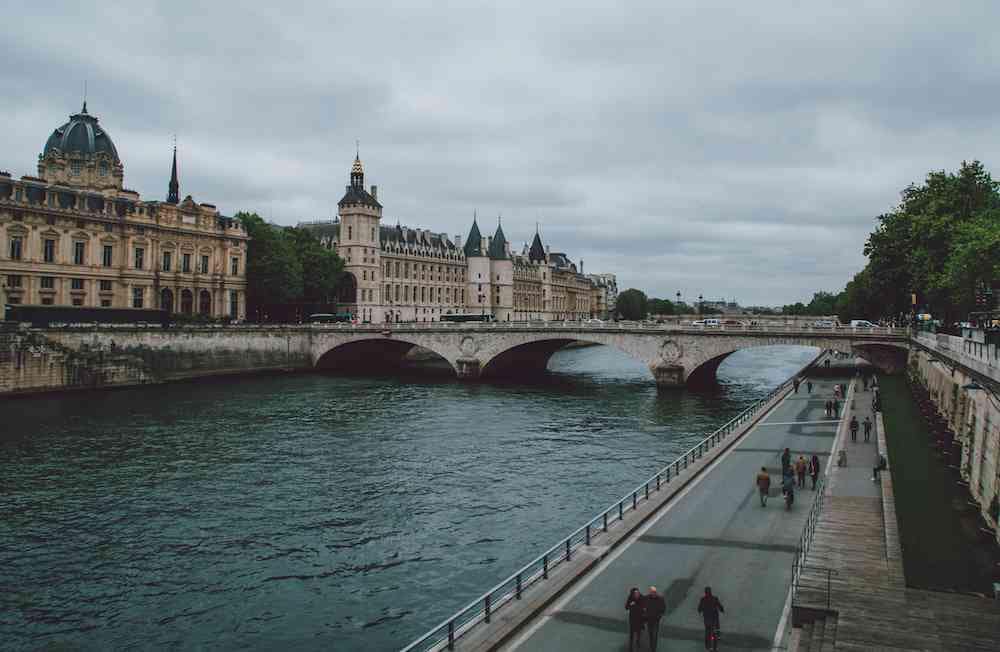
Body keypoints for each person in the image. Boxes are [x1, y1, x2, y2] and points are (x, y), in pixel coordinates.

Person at [644, 586, 666, 651]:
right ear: (650, 592)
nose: (653, 593)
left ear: (656, 592)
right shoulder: (646, 598)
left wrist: (659, 616)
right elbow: (642, 605)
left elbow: (663, 608)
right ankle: (651, 647)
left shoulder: (660, 599)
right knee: (650, 634)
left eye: (654, 592)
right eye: (652, 592)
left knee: (655, 635)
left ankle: (653, 649)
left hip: (656, 620)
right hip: (649, 620)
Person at [625, 587, 645, 651]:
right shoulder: (630, 598)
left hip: (639, 618)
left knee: (639, 631)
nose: (637, 594)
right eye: (635, 593)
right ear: (633, 594)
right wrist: (630, 604)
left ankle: (638, 641)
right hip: (633, 618)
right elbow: (626, 607)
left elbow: (644, 606)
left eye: (638, 593)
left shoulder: (642, 598)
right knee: (632, 632)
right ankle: (631, 644)